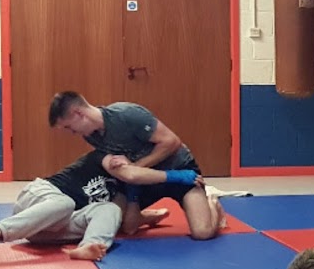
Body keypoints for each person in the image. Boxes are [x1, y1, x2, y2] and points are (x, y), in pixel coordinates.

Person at [48, 91, 218, 240]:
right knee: (114, 223)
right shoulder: (91, 135)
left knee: (202, 232)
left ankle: (213, 205)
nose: (72, 133)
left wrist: (136, 167)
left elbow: (171, 142)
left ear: (78, 113)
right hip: (144, 181)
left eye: (69, 127)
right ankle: (147, 216)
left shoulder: (126, 114)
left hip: (179, 172)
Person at [0, 150, 185, 261]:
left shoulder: (123, 191)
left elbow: (124, 225)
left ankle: (88, 247)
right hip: (39, 199)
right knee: (65, 203)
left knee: (110, 210)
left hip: (45, 230)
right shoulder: (106, 158)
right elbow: (119, 163)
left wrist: (148, 216)